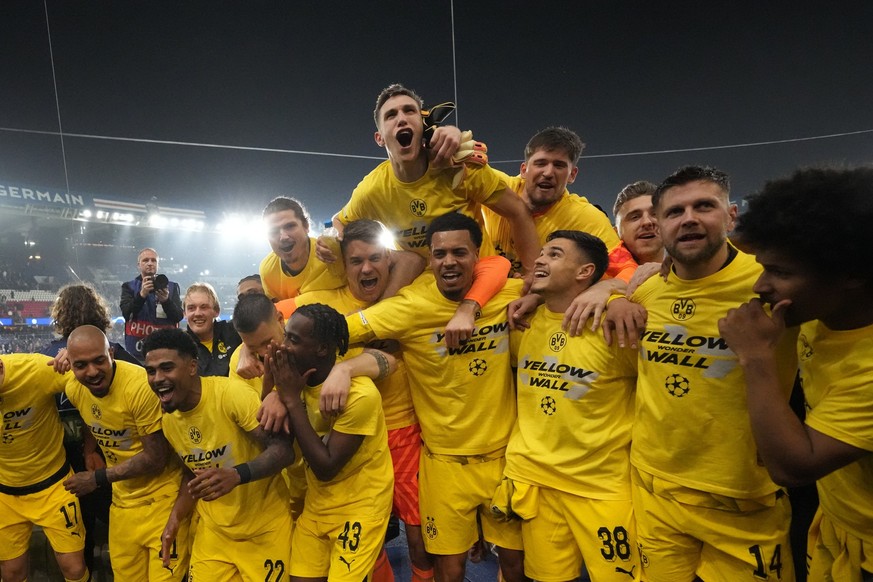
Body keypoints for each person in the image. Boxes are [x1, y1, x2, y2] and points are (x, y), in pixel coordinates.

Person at [604, 166, 797, 581]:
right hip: (656, 491)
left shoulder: (770, 285)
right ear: (661, 225)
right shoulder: (646, 291)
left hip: (745, 500)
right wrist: (614, 296)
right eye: (675, 212)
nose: (688, 218)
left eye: (703, 206)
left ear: (730, 216)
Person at [346, 212, 524, 582]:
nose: (449, 262)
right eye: (439, 254)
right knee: (449, 570)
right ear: (429, 257)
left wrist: (609, 291)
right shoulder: (409, 305)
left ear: (478, 254)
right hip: (442, 465)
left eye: (460, 252)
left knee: (516, 566)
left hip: (504, 458)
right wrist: (260, 337)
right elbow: (341, 329)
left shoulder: (507, 291)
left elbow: (544, 283)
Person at [717, 166, 873, 581]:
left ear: (852, 272)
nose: (760, 286)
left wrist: (755, 357)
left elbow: (794, 466)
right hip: (837, 522)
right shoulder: (822, 310)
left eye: (781, 272)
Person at [285, 219, 434, 581]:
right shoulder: (323, 302)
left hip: (401, 432)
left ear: (389, 261)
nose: (366, 268)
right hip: (342, 432)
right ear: (344, 264)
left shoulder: (409, 296)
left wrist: (346, 368)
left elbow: (416, 260)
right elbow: (267, 320)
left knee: (419, 539)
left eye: (376, 258)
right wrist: (246, 353)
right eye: (355, 261)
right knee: (365, 539)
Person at [502, 230, 641, 581]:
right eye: (543, 253)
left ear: (584, 272)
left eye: (555, 254)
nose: (540, 260)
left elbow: (653, 274)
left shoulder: (613, 325)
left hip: (601, 487)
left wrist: (614, 292)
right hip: (538, 483)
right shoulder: (523, 323)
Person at [334, 83, 539, 276]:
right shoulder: (372, 190)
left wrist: (532, 275)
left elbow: (518, 211)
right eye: (391, 115)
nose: (402, 118)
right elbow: (340, 222)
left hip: (479, 278)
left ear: (423, 126)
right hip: (423, 286)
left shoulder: (459, 165)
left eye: (409, 111)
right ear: (380, 138)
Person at [141, 328, 294, 582]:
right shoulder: (169, 421)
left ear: (192, 367)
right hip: (215, 534)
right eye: (151, 371)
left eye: (167, 368)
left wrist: (236, 475)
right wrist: (175, 519)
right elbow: (193, 472)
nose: (157, 378)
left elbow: (283, 450)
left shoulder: (231, 395)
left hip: (264, 531)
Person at [267, 303, 395, 582]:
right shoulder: (296, 380)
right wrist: (274, 385)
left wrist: (290, 398)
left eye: (294, 339)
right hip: (317, 504)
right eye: (286, 335)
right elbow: (270, 434)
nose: (284, 345)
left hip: (360, 506)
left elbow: (326, 467)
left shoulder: (360, 395)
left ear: (323, 348)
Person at [61, 325, 190, 580]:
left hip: (162, 500)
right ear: (71, 365)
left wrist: (97, 479)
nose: (92, 372)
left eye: (99, 361)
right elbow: (90, 413)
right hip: (122, 505)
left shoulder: (140, 387)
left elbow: (156, 459)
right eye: (81, 365)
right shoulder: (74, 388)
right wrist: (90, 449)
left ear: (111, 353)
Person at [41, 283, 139, 575]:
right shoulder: (117, 354)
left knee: (78, 534)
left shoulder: (45, 357)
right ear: (100, 312)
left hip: (63, 459)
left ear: (60, 315)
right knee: (119, 524)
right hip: (116, 453)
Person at [0, 353, 89, 582]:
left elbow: (90, 381)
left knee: (74, 568)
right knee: (11, 573)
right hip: (6, 493)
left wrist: (76, 359)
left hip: (54, 485)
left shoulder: (35, 369)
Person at [120, 247, 183, 361]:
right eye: (145, 260)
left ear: (158, 264)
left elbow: (178, 316)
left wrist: (166, 301)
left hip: (167, 351)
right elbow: (126, 313)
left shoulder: (172, 287)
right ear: (138, 265)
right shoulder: (129, 286)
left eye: (153, 260)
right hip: (137, 354)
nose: (150, 263)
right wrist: (141, 295)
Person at [182, 282, 242, 376]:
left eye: (204, 307)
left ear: (216, 311)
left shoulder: (235, 333)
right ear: (184, 314)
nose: (197, 313)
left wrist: (248, 348)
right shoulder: (179, 347)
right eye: (191, 308)